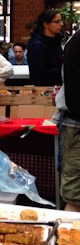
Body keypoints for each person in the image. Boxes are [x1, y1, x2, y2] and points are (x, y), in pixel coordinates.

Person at [53, 29, 80, 211]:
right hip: (77, 124)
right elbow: (75, 97)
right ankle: (70, 240)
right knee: (75, 195)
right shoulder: (78, 42)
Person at [27, 9, 64, 86]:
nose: (61, 24)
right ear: (46, 24)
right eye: (57, 22)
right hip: (44, 90)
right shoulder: (37, 45)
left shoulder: (56, 40)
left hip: (57, 87)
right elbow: (38, 74)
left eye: (61, 21)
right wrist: (64, 70)